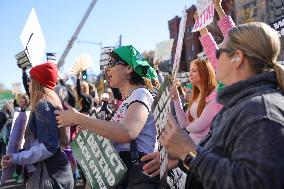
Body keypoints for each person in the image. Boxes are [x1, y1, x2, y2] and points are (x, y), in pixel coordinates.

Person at [160, 21, 284, 188]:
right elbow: (219, 158)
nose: (214, 58)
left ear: (237, 58)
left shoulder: (260, 110)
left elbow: (254, 183)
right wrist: (179, 157)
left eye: (218, 52)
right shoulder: (240, 104)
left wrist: (186, 151)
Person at [55, 45, 161, 188]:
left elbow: (127, 132)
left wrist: (79, 118)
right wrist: (90, 133)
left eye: (111, 64)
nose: (107, 69)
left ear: (129, 68)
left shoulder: (141, 94)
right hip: (122, 174)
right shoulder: (129, 100)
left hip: (135, 174)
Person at [1, 62, 74, 189]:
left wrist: (16, 158)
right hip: (56, 172)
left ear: (37, 83)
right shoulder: (52, 102)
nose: (28, 84)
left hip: (48, 175)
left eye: (30, 80)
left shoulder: (43, 105)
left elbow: (47, 147)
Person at [172, 59, 222, 145]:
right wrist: (176, 100)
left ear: (204, 73)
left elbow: (200, 125)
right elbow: (183, 123)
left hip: (206, 148)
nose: (190, 74)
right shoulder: (195, 96)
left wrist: (184, 130)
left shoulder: (214, 94)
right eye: (190, 71)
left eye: (194, 71)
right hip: (193, 149)